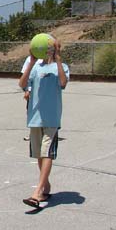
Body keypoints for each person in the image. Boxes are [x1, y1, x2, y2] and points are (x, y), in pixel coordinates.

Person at [18, 37, 69, 210]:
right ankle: (46, 186)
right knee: (39, 154)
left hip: (52, 119)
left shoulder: (61, 67)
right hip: (35, 118)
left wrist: (58, 60)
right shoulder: (35, 67)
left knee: (47, 153)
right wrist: (31, 62)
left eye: (53, 48)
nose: (50, 50)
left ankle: (37, 193)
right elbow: (22, 84)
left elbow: (63, 83)